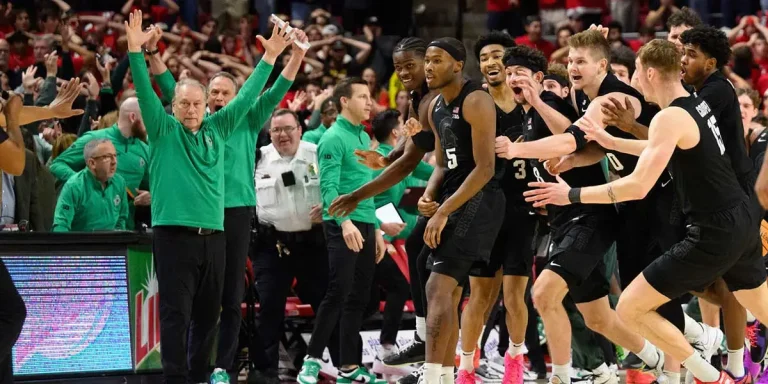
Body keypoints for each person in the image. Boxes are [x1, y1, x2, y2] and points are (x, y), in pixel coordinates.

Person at [525, 38, 768, 384]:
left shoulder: (669, 117)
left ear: (650, 73)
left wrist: (572, 194)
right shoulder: (691, 105)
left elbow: (637, 185)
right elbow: (660, 145)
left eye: (636, 73)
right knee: (763, 308)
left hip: (713, 231)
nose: (634, 82)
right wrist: (611, 142)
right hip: (740, 220)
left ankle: (712, 378)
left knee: (629, 307)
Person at [123, 9, 294, 384]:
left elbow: (248, 94)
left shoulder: (220, 126)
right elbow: (146, 91)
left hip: (214, 237)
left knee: (208, 315)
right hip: (173, 237)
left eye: (196, 103)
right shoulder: (164, 129)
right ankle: (175, 378)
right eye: (183, 103)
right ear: (174, 105)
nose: (190, 109)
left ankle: (201, 376)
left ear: (205, 107)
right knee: (175, 314)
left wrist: (270, 56)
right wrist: (137, 52)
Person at [497, 43, 635, 384]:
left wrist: (538, 103)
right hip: (562, 220)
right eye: (509, 73)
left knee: (542, 293)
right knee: (599, 317)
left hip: (589, 215)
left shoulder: (550, 102)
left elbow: (572, 137)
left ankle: (560, 376)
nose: (513, 78)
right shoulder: (526, 116)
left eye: (520, 73)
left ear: (540, 78)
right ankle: (657, 356)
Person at [326, 38, 442, 383]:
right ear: (396, 132)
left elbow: (418, 168)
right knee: (377, 291)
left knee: (402, 280)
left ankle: (415, 350)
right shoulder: (366, 147)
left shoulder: (395, 147)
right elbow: (376, 199)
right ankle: (385, 350)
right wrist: (383, 226)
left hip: (376, 226)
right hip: (365, 224)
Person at [417, 37, 505, 384]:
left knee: (438, 289)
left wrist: (442, 212)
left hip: (481, 198)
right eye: (426, 60)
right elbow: (441, 163)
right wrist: (428, 195)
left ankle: (433, 374)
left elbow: (484, 168)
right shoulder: (435, 106)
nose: (428, 67)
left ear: (457, 64)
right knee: (447, 292)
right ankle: (443, 376)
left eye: (436, 60)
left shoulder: (477, 99)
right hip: (454, 198)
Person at [297, 77, 387, 384]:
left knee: (357, 298)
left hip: (364, 222)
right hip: (341, 223)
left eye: (370, 96)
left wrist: (375, 228)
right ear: (344, 102)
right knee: (338, 291)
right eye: (362, 97)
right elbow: (328, 186)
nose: (369, 102)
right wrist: (345, 222)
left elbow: (369, 188)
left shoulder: (363, 137)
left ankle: (349, 367)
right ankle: (311, 359)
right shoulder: (333, 138)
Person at [456, 31, 534, 384]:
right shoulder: (475, 102)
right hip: (485, 210)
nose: (490, 62)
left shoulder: (530, 104)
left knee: (515, 296)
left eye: (497, 55)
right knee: (479, 296)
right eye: (484, 56)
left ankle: (515, 359)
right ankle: (466, 366)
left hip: (521, 211)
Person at [251, 109, 330, 384]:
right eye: (276, 130)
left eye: (288, 128)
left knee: (326, 305)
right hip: (272, 245)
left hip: (313, 245)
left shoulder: (318, 153)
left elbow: (341, 188)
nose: (282, 135)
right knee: (270, 308)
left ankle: (339, 365)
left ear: (300, 129)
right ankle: (265, 372)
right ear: (269, 133)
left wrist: (329, 208)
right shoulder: (258, 158)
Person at [49, 97, 149, 229]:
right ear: (132, 117)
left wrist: (150, 197)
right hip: (85, 229)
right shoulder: (94, 139)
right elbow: (57, 164)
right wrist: (83, 183)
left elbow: (152, 187)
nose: (150, 124)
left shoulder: (145, 149)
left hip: (123, 231)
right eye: (146, 119)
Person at [52, 139, 129, 232]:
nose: (114, 162)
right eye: (108, 157)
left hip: (111, 245)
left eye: (115, 156)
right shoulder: (74, 186)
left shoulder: (119, 182)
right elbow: (61, 226)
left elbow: (121, 219)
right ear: (92, 163)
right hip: (81, 245)